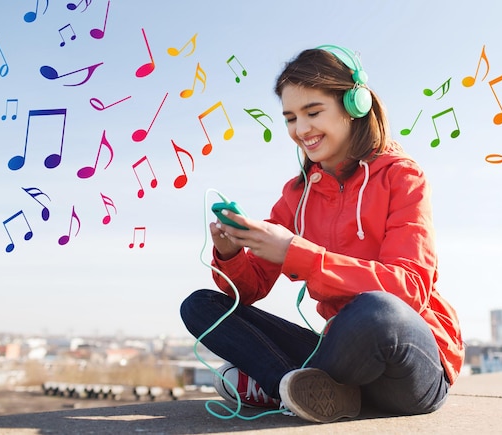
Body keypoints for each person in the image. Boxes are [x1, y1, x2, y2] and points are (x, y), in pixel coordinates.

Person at [180, 44, 465, 424]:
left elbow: (409, 288)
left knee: (377, 311)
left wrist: (296, 253)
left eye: (313, 113)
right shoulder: (296, 196)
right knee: (201, 306)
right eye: (290, 118)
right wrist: (231, 253)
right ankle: (298, 388)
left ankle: (277, 385)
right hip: (340, 359)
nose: (301, 130)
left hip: (408, 360)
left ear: (354, 106)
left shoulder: (401, 175)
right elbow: (246, 292)